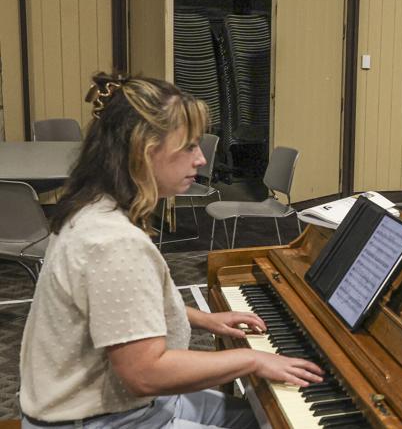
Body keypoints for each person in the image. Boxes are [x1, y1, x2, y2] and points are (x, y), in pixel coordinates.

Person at [19, 73, 323, 428]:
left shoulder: (90, 207)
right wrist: (253, 361)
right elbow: (145, 374)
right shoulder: (114, 242)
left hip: (113, 408)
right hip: (101, 419)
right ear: (145, 151)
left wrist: (204, 318)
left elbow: (117, 307)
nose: (201, 159)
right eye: (189, 147)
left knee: (261, 415)